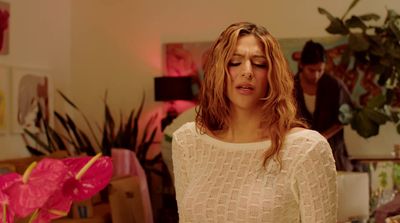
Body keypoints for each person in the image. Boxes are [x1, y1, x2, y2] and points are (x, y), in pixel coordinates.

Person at [171, 22, 337, 222]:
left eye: (259, 63)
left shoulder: (307, 149)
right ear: (218, 72)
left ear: (272, 75)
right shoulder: (188, 142)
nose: (247, 71)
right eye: (234, 62)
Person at [294, 40, 353, 171]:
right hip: (300, 152)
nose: (316, 75)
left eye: (320, 70)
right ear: (301, 65)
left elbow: (345, 117)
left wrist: (321, 137)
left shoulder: (334, 85)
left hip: (332, 151)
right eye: (311, 70)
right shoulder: (290, 87)